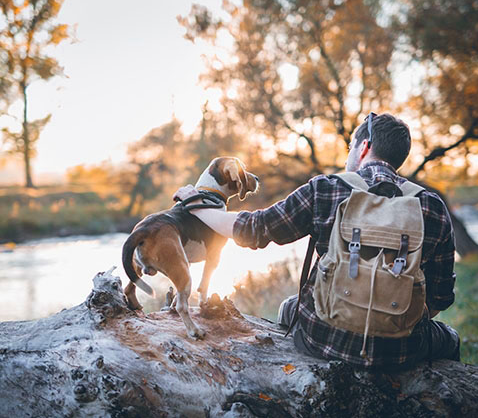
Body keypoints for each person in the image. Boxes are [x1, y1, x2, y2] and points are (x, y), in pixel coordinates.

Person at [173, 113, 460, 369]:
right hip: (402, 351)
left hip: (322, 338)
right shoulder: (431, 206)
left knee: (289, 307)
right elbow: (440, 298)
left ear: (364, 147)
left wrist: (195, 204)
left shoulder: (325, 189)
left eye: (350, 148)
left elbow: (253, 229)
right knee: (450, 337)